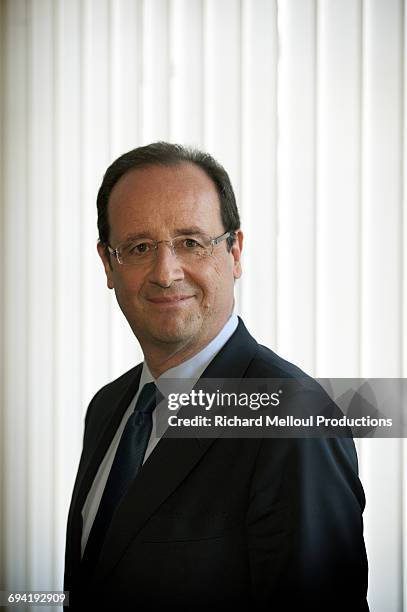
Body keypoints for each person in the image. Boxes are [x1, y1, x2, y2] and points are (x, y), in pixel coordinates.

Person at [64, 142, 369, 610]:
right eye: (140, 247)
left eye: (191, 242)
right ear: (108, 263)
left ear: (235, 252)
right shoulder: (108, 408)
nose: (166, 274)